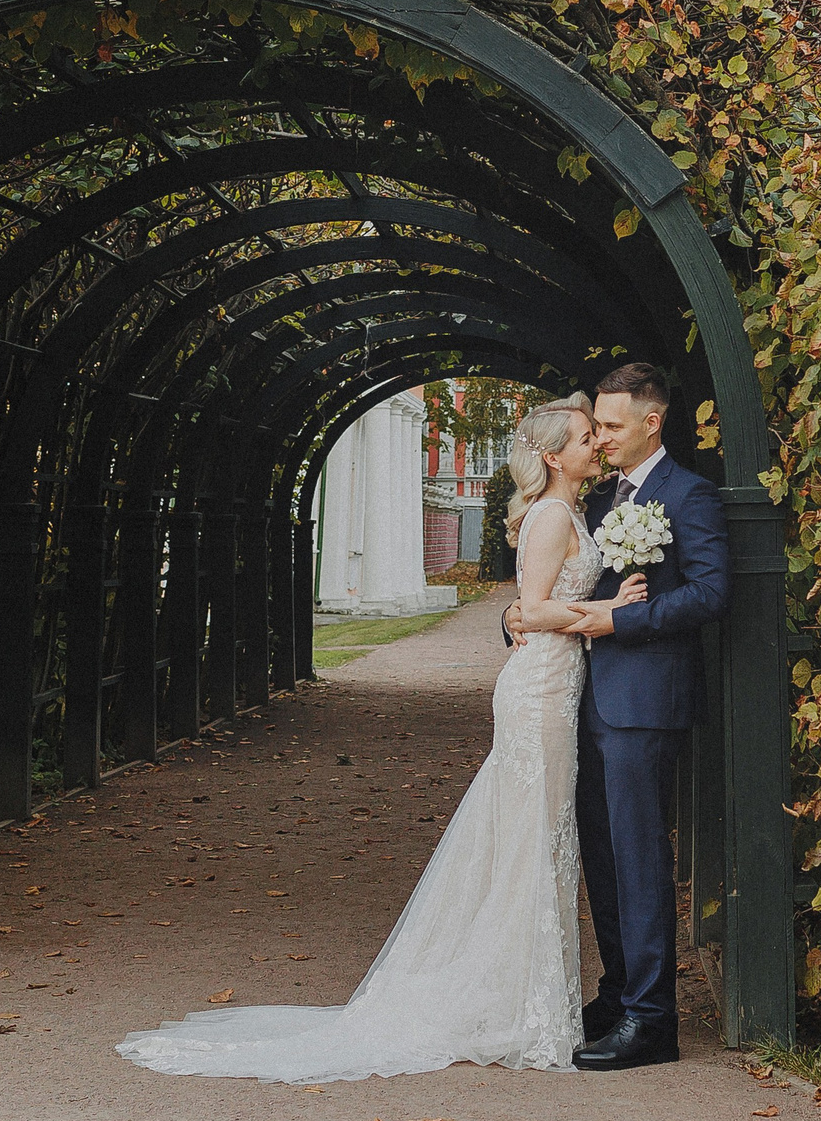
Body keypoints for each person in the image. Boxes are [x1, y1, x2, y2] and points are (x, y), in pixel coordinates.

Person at [113, 393, 643, 1081]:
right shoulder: (548, 515)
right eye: (580, 437)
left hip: (558, 687)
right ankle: (521, 1008)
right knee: (530, 841)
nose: (592, 445)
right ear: (551, 455)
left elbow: (527, 605)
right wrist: (610, 607)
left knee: (536, 841)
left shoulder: (569, 510)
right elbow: (532, 610)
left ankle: (531, 1000)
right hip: (539, 690)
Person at [508, 360, 730, 1070]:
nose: (599, 438)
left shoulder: (688, 494)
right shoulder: (597, 499)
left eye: (608, 425)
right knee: (600, 858)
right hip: (579, 698)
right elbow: (557, 582)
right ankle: (618, 991)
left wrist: (620, 626)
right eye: (593, 427)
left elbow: (709, 594)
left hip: (643, 702)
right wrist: (519, 617)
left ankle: (652, 1018)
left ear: (650, 421)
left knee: (638, 857)